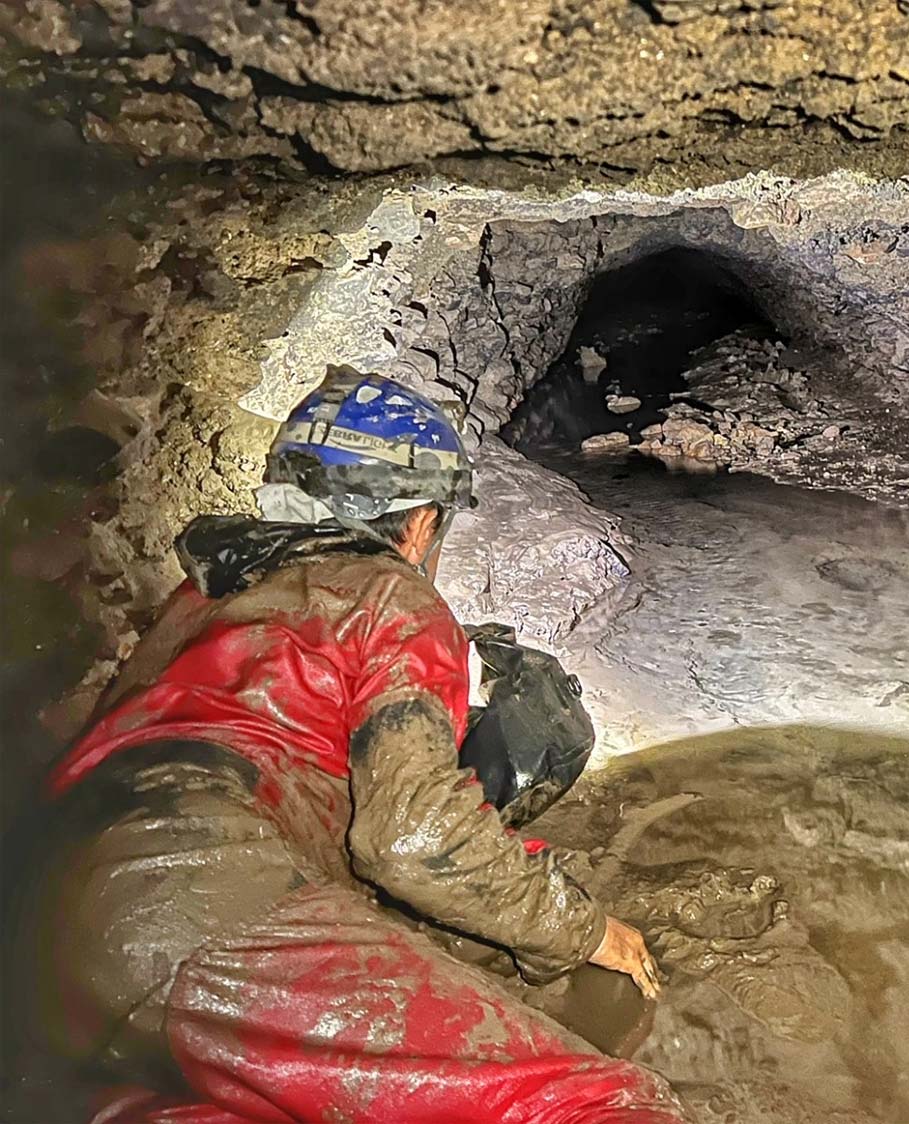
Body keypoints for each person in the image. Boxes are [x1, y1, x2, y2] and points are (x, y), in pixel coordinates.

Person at [29, 368, 685, 1123]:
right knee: (596, 1103)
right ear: (416, 525)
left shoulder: (200, 601)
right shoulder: (388, 593)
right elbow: (409, 835)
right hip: (189, 902)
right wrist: (581, 929)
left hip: (48, 931)